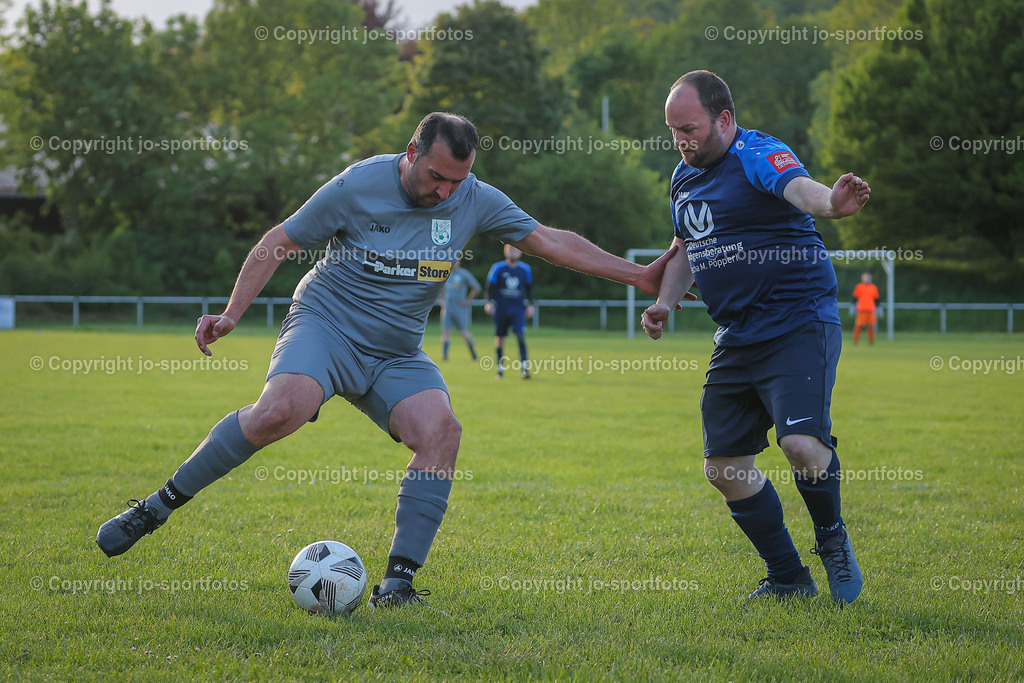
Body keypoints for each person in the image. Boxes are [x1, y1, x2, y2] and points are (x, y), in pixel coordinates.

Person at [96, 111, 680, 610]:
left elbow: (549, 240)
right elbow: (279, 240)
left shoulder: (473, 199)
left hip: (396, 351)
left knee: (442, 431)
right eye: (436, 177)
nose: (446, 191)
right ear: (411, 153)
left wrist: (638, 275)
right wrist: (230, 313)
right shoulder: (357, 186)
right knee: (280, 410)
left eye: (458, 180)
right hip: (325, 327)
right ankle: (156, 507)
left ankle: (398, 584)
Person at [642, 70, 870, 603]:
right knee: (723, 467)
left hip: (797, 320)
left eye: (690, 128)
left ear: (723, 118)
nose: (682, 140)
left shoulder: (758, 153)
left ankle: (832, 539)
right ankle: (789, 578)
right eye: (674, 130)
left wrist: (833, 204)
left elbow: (801, 192)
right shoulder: (683, 177)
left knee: (801, 446)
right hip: (737, 334)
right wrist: (664, 302)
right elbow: (686, 246)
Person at [484, 245, 534, 379]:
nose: (513, 252)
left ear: (520, 252)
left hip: (517, 309)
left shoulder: (525, 269)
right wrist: (489, 302)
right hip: (501, 308)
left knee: (520, 335)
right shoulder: (498, 268)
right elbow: (489, 288)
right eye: (510, 249)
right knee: (500, 339)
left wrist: (531, 305)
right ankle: (500, 369)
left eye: (515, 250)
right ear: (505, 252)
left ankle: (525, 370)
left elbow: (529, 290)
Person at [439, 259, 480, 361]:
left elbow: (476, 287)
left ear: (459, 262)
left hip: (459, 307)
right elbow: (438, 288)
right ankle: (445, 357)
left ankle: (473, 354)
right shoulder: (445, 273)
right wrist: (441, 300)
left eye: (456, 261)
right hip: (447, 308)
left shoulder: (463, 274)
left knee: (463, 331)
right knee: (446, 331)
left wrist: (467, 300)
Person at [852, 272, 880, 345]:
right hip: (861, 309)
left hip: (871, 309)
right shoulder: (859, 286)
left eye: (868, 277)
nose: (867, 279)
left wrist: (879, 309)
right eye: (865, 277)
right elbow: (855, 298)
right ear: (862, 279)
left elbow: (876, 299)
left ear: (871, 279)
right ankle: (855, 341)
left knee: (871, 326)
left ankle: (871, 341)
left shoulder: (874, 287)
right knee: (859, 325)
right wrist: (853, 307)